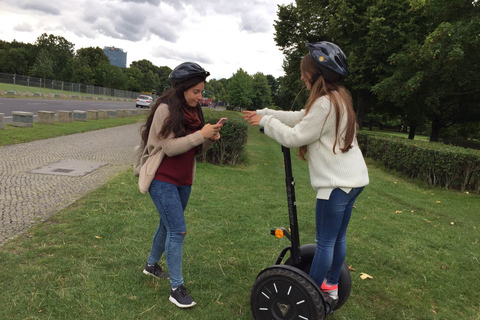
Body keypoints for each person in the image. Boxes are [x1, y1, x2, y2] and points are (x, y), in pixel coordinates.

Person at [242, 41, 369, 307]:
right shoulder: (339, 98)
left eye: (305, 72)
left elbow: (295, 136)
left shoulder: (324, 104)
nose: (302, 77)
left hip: (335, 186)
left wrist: (266, 124)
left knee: (324, 243)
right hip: (353, 181)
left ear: (318, 74)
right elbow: (302, 116)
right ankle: (331, 286)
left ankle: (312, 294)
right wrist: (264, 113)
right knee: (338, 239)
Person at [138, 62, 222, 308]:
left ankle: (151, 266)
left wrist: (210, 139)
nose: (200, 96)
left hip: (184, 179)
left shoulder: (194, 111)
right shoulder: (165, 109)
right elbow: (171, 147)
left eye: (202, 91)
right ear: (182, 88)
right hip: (162, 178)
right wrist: (201, 134)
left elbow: (194, 151)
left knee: (167, 226)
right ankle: (176, 288)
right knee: (178, 230)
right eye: (196, 91)